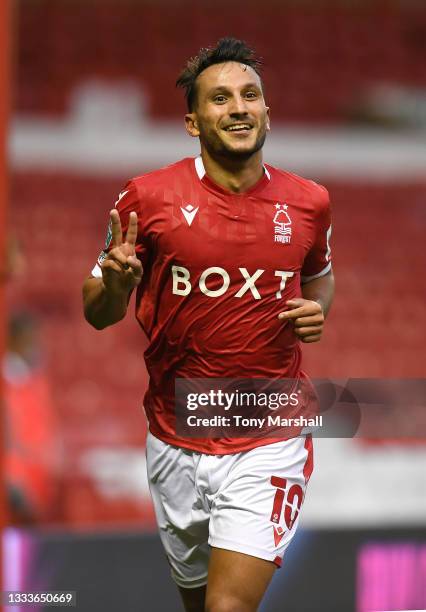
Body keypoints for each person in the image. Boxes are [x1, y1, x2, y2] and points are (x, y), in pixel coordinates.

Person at [83, 38, 334, 612]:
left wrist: (317, 312)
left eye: (251, 95)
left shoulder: (310, 202)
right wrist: (116, 286)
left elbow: (319, 277)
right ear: (193, 122)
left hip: (268, 433)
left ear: (268, 111)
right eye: (221, 99)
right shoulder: (146, 197)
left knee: (227, 607)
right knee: (198, 605)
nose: (239, 107)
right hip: (174, 431)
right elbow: (95, 310)